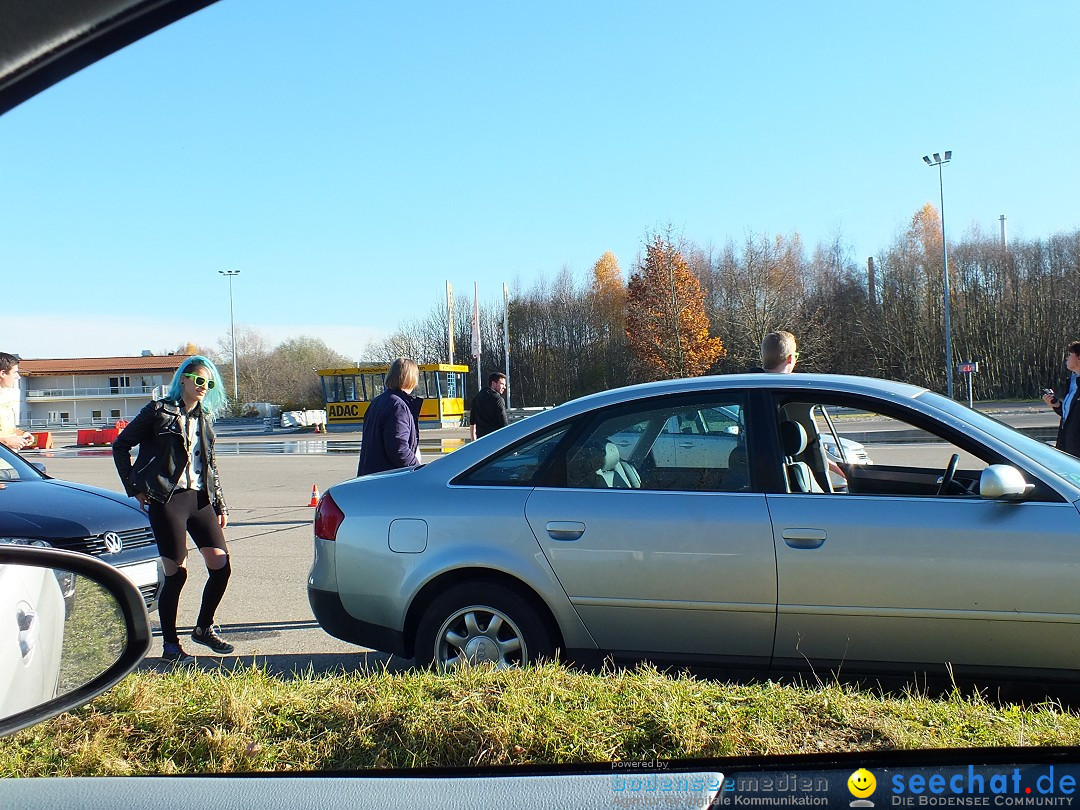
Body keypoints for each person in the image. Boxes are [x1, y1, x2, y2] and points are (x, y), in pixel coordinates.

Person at [112, 356, 233, 662]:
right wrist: (135, 488)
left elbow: (210, 465)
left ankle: (204, 628)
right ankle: (170, 644)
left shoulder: (204, 419)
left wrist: (219, 503)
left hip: (199, 498)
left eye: (210, 383)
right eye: (199, 380)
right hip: (166, 499)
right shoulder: (158, 411)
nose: (204, 387)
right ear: (184, 379)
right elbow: (120, 445)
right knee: (175, 573)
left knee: (221, 566)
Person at [357, 358, 424, 476]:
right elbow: (399, 449)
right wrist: (417, 469)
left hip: (370, 476)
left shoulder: (378, 401)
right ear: (412, 378)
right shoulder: (398, 406)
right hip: (388, 479)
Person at [1043, 340, 1080, 457]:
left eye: (1070, 355)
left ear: (1079, 358)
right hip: (1067, 447)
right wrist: (1058, 405)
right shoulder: (1073, 383)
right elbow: (1071, 415)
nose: (1067, 358)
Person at [0, 352, 34, 451]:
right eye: (14, 372)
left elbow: (4, 431)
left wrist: (21, 434)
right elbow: (5, 439)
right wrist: (5, 442)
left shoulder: (4, 399)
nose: (18, 377)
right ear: (2, 373)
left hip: (8, 462)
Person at [469, 371, 509, 440]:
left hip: (481, 440)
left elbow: (472, 422)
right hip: (496, 440)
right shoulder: (498, 399)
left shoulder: (477, 398)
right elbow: (504, 423)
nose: (504, 387)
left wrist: (473, 441)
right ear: (493, 383)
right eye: (502, 384)